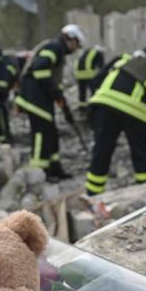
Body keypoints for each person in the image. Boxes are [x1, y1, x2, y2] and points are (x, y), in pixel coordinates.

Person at [84, 52, 146, 196]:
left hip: (103, 104)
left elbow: (96, 79)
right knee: (142, 153)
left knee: (102, 150)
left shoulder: (125, 62)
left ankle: (93, 192)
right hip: (132, 109)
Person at [14, 23, 86, 180]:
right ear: (71, 39)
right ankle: (40, 171)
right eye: (76, 45)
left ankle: (55, 168)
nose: (75, 49)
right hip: (35, 98)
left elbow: (49, 75)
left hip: (40, 97)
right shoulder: (55, 48)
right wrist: (55, 93)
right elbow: (40, 69)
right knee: (42, 133)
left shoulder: (55, 48)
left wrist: (58, 96)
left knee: (52, 133)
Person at [74, 45, 105, 109]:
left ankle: (81, 108)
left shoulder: (88, 51)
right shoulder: (99, 53)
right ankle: (93, 107)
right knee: (94, 91)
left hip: (78, 73)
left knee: (82, 92)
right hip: (88, 74)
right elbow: (102, 67)